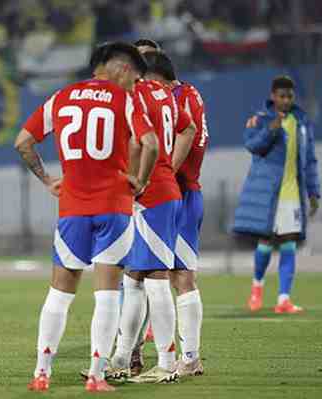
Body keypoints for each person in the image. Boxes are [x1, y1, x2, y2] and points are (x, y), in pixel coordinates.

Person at [18, 41, 158, 393]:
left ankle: (41, 372)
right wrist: (139, 180)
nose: (135, 86)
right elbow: (151, 143)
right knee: (108, 295)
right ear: (122, 69)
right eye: (135, 79)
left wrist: (48, 179)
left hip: (72, 209)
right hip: (114, 206)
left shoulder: (61, 97)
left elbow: (23, 142)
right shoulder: (124, 100)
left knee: (59, 295)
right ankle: (96, 376)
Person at [109, 49, 197, 384]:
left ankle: (166, 362)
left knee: (157, 278)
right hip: (164, 192)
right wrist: (168, 169)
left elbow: (137, 143)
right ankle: (120, 357)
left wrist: (137, 182)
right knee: (133, 277)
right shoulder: (165, 95)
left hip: (149, 198)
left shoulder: (135, 95)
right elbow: (186, 131)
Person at [234, 75, 320, 314]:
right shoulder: (261, 120)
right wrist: (271, 130)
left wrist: (314, 192)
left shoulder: (301, 122)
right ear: (273, 96)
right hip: (269, 194)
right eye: (281, 96)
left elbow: (310, 159)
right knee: (265, 243)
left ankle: (283, 299)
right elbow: (252, 146)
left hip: (292, 193)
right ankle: (257, 289)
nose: (285, 100)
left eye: (289, 96)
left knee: (289, 244)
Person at [147, 50, 208, 377]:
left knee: (176, 277)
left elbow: (189, 137)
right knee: (164, 276)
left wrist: (165, 170)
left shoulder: (178, 98)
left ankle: (188, 356)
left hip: (179, 195)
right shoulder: (190, 94)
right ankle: (182, 356)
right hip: (183, 193)